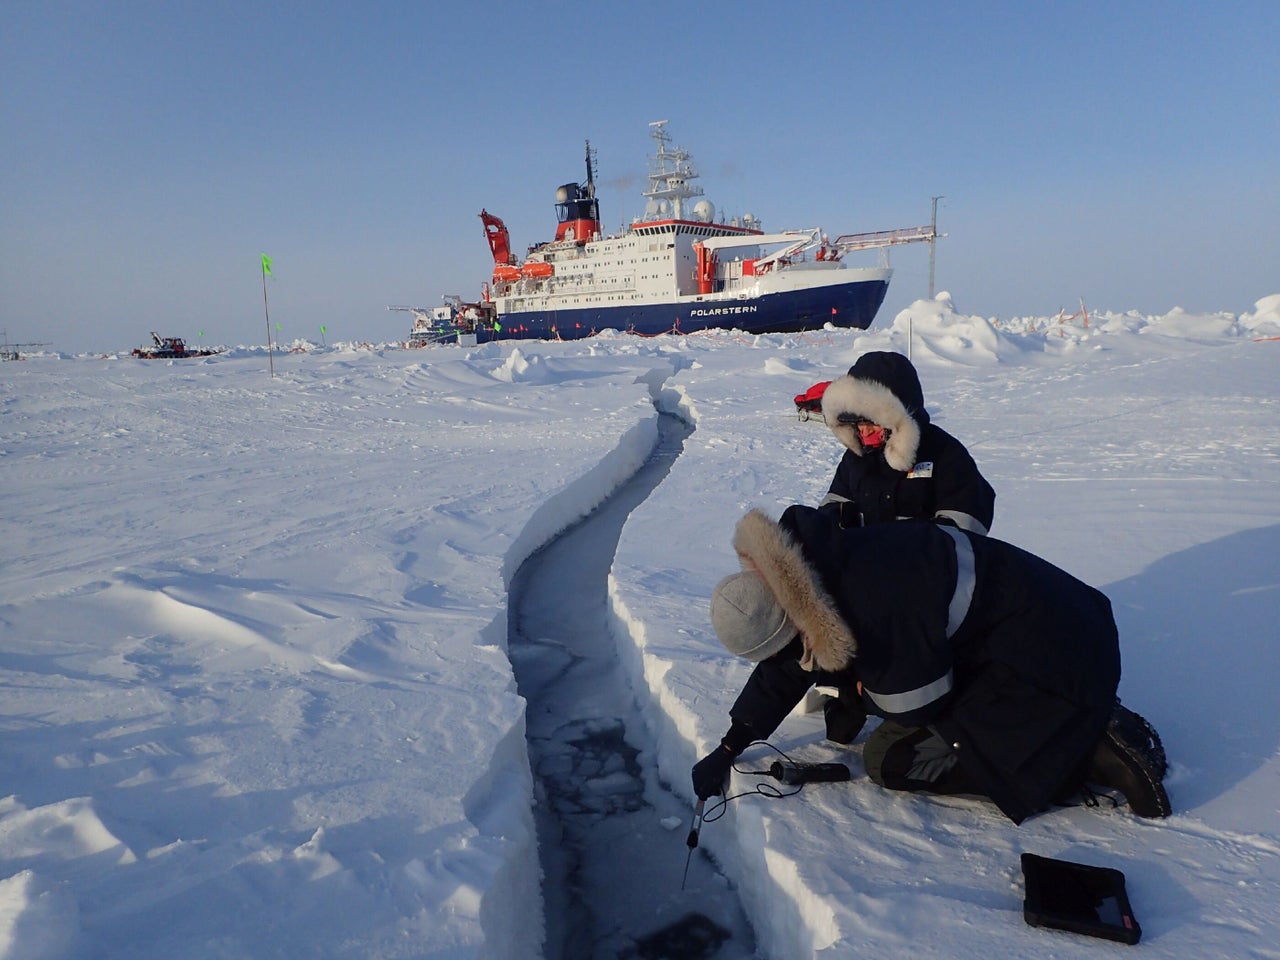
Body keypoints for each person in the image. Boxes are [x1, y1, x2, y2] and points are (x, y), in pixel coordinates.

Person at [690, 506, 1170, 823]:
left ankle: (1085, 752)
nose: (780, 662)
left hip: (1057, 659)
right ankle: (1066, 726)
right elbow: (787, 669)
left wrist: (860, 692)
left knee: (889, 760)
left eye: (775, 650)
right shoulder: (809, 572)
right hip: (1061, 628)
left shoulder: (875, 600)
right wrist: (731, 744)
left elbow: (916, 704)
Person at [815, 351, 995, 536]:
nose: (864, 431)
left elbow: (967, 524)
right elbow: (835, 501)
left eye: (872, 422)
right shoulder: (857, 457)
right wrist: (832, 525)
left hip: (927, 563)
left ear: (897, 417)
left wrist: (911, 548)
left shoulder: (945, 454)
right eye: (858, 422)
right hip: (863, 562)